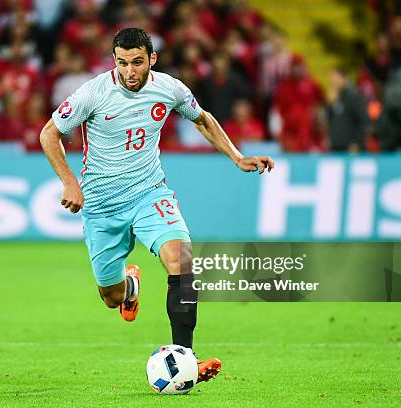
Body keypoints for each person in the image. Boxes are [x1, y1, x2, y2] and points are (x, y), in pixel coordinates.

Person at [39, 28, 274, 384]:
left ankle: (186, 356)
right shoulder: (93, 93)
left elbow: (203, 118)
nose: (129, 71)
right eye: (122, 63)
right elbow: (49, 133)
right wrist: (70, 181)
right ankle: (129, 287)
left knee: (182, 259)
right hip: (102, 206)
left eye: (136, 62)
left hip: (149, 194)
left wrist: (237, 157)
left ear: (152, 59)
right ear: (113, 61)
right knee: (110, 297)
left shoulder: (170, 88)